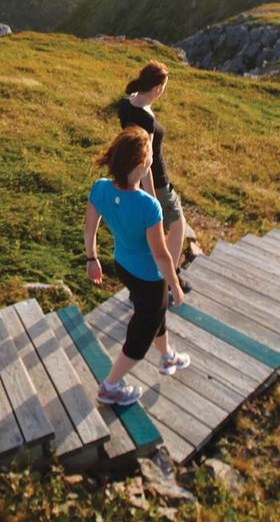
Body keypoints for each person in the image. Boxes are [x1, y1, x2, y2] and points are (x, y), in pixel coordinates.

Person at [85, 125, 190, 406]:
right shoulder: (147, 206)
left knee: (154, 312)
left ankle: (167, 356)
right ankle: (110, 386)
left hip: (123, 266)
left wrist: (92, 258)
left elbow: (89, 230)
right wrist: (175, 286)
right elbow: (162, 256)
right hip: (149, 276)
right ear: (143, 163)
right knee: (142, 329)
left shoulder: (100, 188)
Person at [118, 60, 191, 293]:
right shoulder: (147, 119)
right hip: (156, 181)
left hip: (130, 175)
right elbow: (146, 160)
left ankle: (157, 272)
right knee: (178, 225)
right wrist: (149, 195)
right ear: (158, 87)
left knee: (150, 233)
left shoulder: (127, 103)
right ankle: (169, 278)